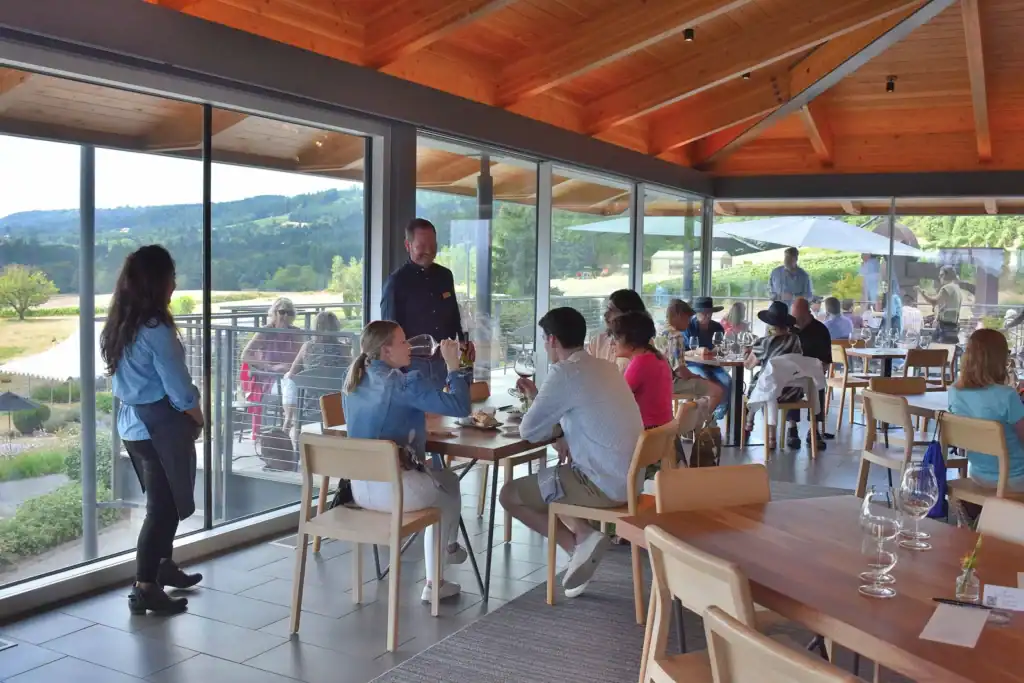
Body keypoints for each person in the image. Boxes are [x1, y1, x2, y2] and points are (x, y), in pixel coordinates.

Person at [500, 307, 643, 598]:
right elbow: (580, 411)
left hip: (603, 484)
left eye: (544, 339)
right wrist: (542, 404)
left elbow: (529, 431)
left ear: (552, 340)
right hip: (631, 479)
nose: (544, 345)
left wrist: (546, 418)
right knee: (552, 479)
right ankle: (583, 540)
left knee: (511, 495)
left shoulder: (565, 372)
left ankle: (578, 544)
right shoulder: (603, 366)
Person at [101, 245, 203, 615]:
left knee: (166, 503)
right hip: (158, 428)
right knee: (163, 509)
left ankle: (163, 567)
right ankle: (145, 587)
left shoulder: (120, 325)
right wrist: (197, 415)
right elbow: (179, 389)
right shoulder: (156, 329)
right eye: (171, 276)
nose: (175, 283)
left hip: (132, 425)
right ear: (157, 281)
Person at [342, 320, 471, 600]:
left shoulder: (355, 380)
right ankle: (436, 579)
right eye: (403, 342)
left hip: (360, 489)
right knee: (446, 492)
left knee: (448, 479)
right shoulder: (403, 383)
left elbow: (382, 418)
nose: (410, 345)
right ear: (386, 351)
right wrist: (454, 367)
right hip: (396, 492)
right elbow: (461, 407)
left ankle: (448, 552)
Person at [381, 218, 473, 388]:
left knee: (440, 413)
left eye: (433, 245)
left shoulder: (445, 276)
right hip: (411, 366)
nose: (429, 251)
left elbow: (453, 313)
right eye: (421, 246)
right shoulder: (396, 283)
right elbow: (388, 332)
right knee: (415, 414)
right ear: (408, 246)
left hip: (443, 361)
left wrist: (462, 341)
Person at [948, 329, 1024, 493]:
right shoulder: (1007, 396)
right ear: (999, 359)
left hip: (978, 474)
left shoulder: (954, 392)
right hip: (1015, 478)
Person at [744, 302, 803, 449]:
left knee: (761, 383)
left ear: (770, 325)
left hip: (771, 392)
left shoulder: (763, 342)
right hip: (792, 392)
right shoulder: (795, 340)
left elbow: (748, 365)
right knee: (770, 381)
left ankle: (748, 425)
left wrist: (748, 352)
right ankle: (781, 432)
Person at [241, 297, 303, 433]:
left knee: (293, 382)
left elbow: (303, 357)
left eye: (290, 313)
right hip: (269, 379)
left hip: (293, 376)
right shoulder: (265, 332)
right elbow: (245, 355)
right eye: (282, 312)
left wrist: (292, 367)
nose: (285, 316)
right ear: (274, 313)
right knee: (291, 383)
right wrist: (270, 367)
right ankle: (289, 425)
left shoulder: (296, 333)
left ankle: (290, 425)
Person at [662, 299, 725, 417]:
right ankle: (699, 425)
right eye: (687, 318)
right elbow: (680, 371)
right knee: (717, 391)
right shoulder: (676, 336)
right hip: (672, 382)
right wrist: (695, 376)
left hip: (661, 381)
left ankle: (687, 422)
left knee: (698, 389)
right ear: (679, 316)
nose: (688, 322)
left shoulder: (662, 332)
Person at [611, 311, 673, 429]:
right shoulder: (657, 356)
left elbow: (617, 398)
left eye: (617, 338)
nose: (612, 343)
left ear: (631, 340)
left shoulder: (640, 363)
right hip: (665, 430)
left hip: (648, 433)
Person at [286, 311, 348, 428]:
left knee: (288, 380)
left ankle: (289, 420)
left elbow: (292, 374)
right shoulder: (344, 349)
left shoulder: (307, 347)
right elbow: (354, 372)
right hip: (337, 408)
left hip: (311, 406)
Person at [791, 297, 830, 449]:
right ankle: (792, 429)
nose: (796, 321)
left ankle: (814, 430)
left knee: (818, 384)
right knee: (790, 385)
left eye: (798, 318)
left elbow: (826, 360)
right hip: (793, 373)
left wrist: (819, 373)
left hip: (814, 372)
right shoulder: (790, 329)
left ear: (808, 313)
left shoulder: (820, 330)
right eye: (793, 318)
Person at [684, 297, 731, 421]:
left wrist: (719, 349)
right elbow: (682, 353)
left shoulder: (717, 328)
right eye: (703, 313)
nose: (707, 316)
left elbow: (721, 347)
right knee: (708, 381)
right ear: (696, 313)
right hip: (693, 364)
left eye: (709, 313)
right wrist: (696, 351)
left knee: (728, 382)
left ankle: (716, 411)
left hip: (713, 364)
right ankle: (703, 418)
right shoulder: (688, 327)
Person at [587, 288, 647, 372]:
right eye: (607, 309)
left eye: (611, 311)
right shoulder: (597, 342)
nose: (605, 315)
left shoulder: (642, 348)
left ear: (628, 315)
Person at [922, 265, 962, 343]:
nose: (939, 277)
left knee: (937, 350)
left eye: (941, 275)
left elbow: (934, 301)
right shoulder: (956, 288)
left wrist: (922, 293)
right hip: (953, 326)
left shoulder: (947, 288)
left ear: (947, 275)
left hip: (945, 327)